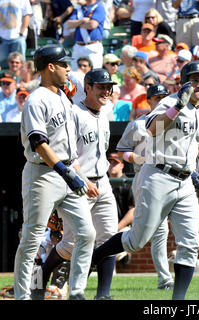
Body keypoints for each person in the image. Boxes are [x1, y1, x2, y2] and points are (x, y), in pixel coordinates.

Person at [91, 61, 199, 300]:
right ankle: (92, 258)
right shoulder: (168, 102)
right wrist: (178, 105)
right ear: (183, 81)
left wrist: (193, 169)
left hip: (184, 182)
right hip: (158, 175)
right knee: (136, 240)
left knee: (190, 243)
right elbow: (153, 129)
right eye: (194, 79)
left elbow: (193, 146)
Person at [14, 44, 95, 300]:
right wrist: (63, 169)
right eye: (63, 64)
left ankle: (77, 292)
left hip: (67, 171)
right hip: (43, 174)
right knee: (31, 239)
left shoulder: (62, 95)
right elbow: (38, 142)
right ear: (51, 67)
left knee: (87, 233)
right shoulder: (36, 99)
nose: (68, 68)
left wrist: (70, 171)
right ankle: (22, 296)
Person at [30, 68, 119, 300]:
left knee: (109, 239)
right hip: (79, 184)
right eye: (100, 86)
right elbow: (68, 155)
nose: (106, 91)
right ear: (87, 88)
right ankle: (43, 272)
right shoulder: (74, 113)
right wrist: (82, 180)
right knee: (71, 243)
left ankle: (103, 295)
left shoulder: (105, 113)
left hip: (104, 183)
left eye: (109, 87)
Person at [116, 83, 175, 290]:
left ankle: (165, 278)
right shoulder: (138, 124)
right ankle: (109, 248)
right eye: (157, 98)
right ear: (148, 101)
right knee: (146, 233)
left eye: (164, 97)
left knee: (162, 231)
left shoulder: (176, 121)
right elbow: (122, 150)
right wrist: (138, 158)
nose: (161, 101)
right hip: (145, 179)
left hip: (171, 180)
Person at [67, 0, 106, 70]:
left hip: (93, 46)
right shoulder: (79, 9)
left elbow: (92, 25)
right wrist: (82, 20)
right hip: (78, 46)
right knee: (75, 73)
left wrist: (77, 24)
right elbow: (69, 24)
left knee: (94, 73)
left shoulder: (99, 7)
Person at [0, 0, 33, 69]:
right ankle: (5, 80)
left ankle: (19, 80)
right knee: (3, 65)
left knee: (20, 65)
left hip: (18, 38)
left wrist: (21, 33)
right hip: (2, 39)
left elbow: (27, 15)